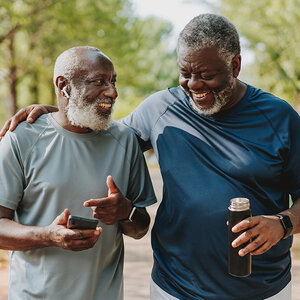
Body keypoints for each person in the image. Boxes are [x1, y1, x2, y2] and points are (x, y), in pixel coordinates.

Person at [1, 14, 300, 300]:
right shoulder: (161, 109)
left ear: (234, 66)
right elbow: (100, 131)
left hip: (264, 290)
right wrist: (59, 110)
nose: (194, 85)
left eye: (206, 75)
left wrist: (283, 224)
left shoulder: (279, 117)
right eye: (185, 73)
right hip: (175, 288)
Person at [0, 46, 156, 300]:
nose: (113, 91)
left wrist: (125, 211)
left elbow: (140, 229)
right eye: (100, 82)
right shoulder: (20, 140)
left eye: (113, 81)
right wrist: (48, 236)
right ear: (64, 85)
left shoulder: (125, 140)